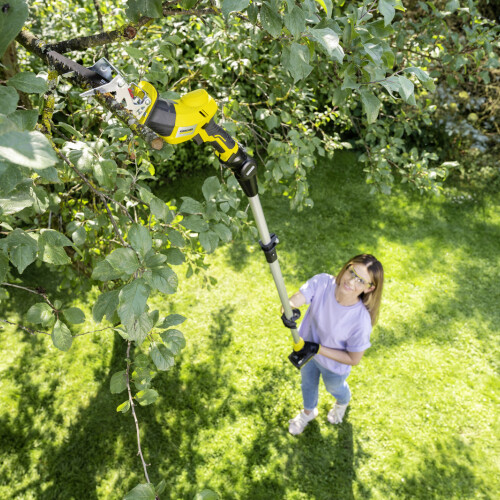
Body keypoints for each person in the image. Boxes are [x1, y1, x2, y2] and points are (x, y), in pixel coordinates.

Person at [286, 254, 384, 435]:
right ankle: (308, 413)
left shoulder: (360, 321)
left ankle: (342, 402)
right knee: (307, 384)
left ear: (370, 288)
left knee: (334, 388)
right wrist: (289, 307)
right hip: (306, 353)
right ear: (347, 267)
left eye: (361, 281)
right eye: (352, 272)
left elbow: (354, 359)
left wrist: (317, 348)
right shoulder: (323, 283)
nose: (352, 282)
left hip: (334, 366)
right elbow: (298, 297)